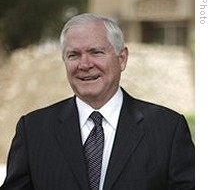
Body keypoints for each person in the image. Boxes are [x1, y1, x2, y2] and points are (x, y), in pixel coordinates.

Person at [0, 13, 194, 190]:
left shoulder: (168, 129)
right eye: (73, 55)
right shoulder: (33, 131)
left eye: (96, 52)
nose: (84, 65)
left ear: (122, 59)